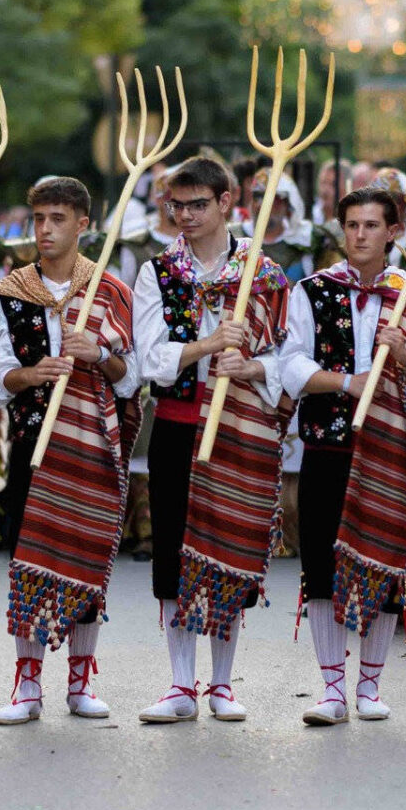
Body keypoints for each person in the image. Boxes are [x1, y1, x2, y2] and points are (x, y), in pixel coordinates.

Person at [133, 156, 290, 723]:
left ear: (226, 202)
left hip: (238, 425)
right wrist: (207, 345)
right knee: (173, 551)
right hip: (178, 423)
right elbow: (149, 357)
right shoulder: (157, 272)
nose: (185, 215)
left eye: (198, 204)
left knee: (229, 550)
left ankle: (222, 683)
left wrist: (252, 367)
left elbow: (288, 356)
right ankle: (180, 684)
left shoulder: (263, 272)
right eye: (176, 205)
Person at [278, 186, 406, 725]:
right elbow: (291, 366)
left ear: (393, 232)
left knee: (383, 562)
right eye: (352, 225)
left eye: (372, 225)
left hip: (391, 450)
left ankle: (370, 685)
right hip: (327, 444)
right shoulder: (313, 290)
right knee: (322, 566)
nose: (361, 235)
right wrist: (348, 382)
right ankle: (331, 688)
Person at [0, 176, 136, 724]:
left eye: (57, 219)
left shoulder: (110, 290)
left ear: (83, 225)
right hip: (32, 443)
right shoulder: (12, 291)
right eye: (39, 219)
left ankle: (79, 682)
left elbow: (131, 378)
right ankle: (27, 686)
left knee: (85, 557)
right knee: (29, 560)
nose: (45, 230)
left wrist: (98, 355)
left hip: (92, 443)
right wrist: (30, 374)